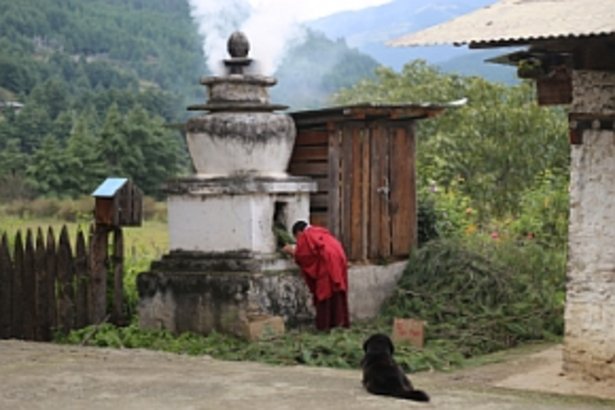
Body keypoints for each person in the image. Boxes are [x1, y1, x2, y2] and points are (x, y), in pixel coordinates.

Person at [282, 220, 350, 331]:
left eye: (296, 237)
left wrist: (292, 252)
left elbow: (305, 255)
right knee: (337, 296)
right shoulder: (322, 233)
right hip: (338, 264)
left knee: (324, 295)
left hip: (326, 266)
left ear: (299, 232)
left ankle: (325, 327)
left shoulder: (306, 235)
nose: (298, 240)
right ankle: (339, 325)